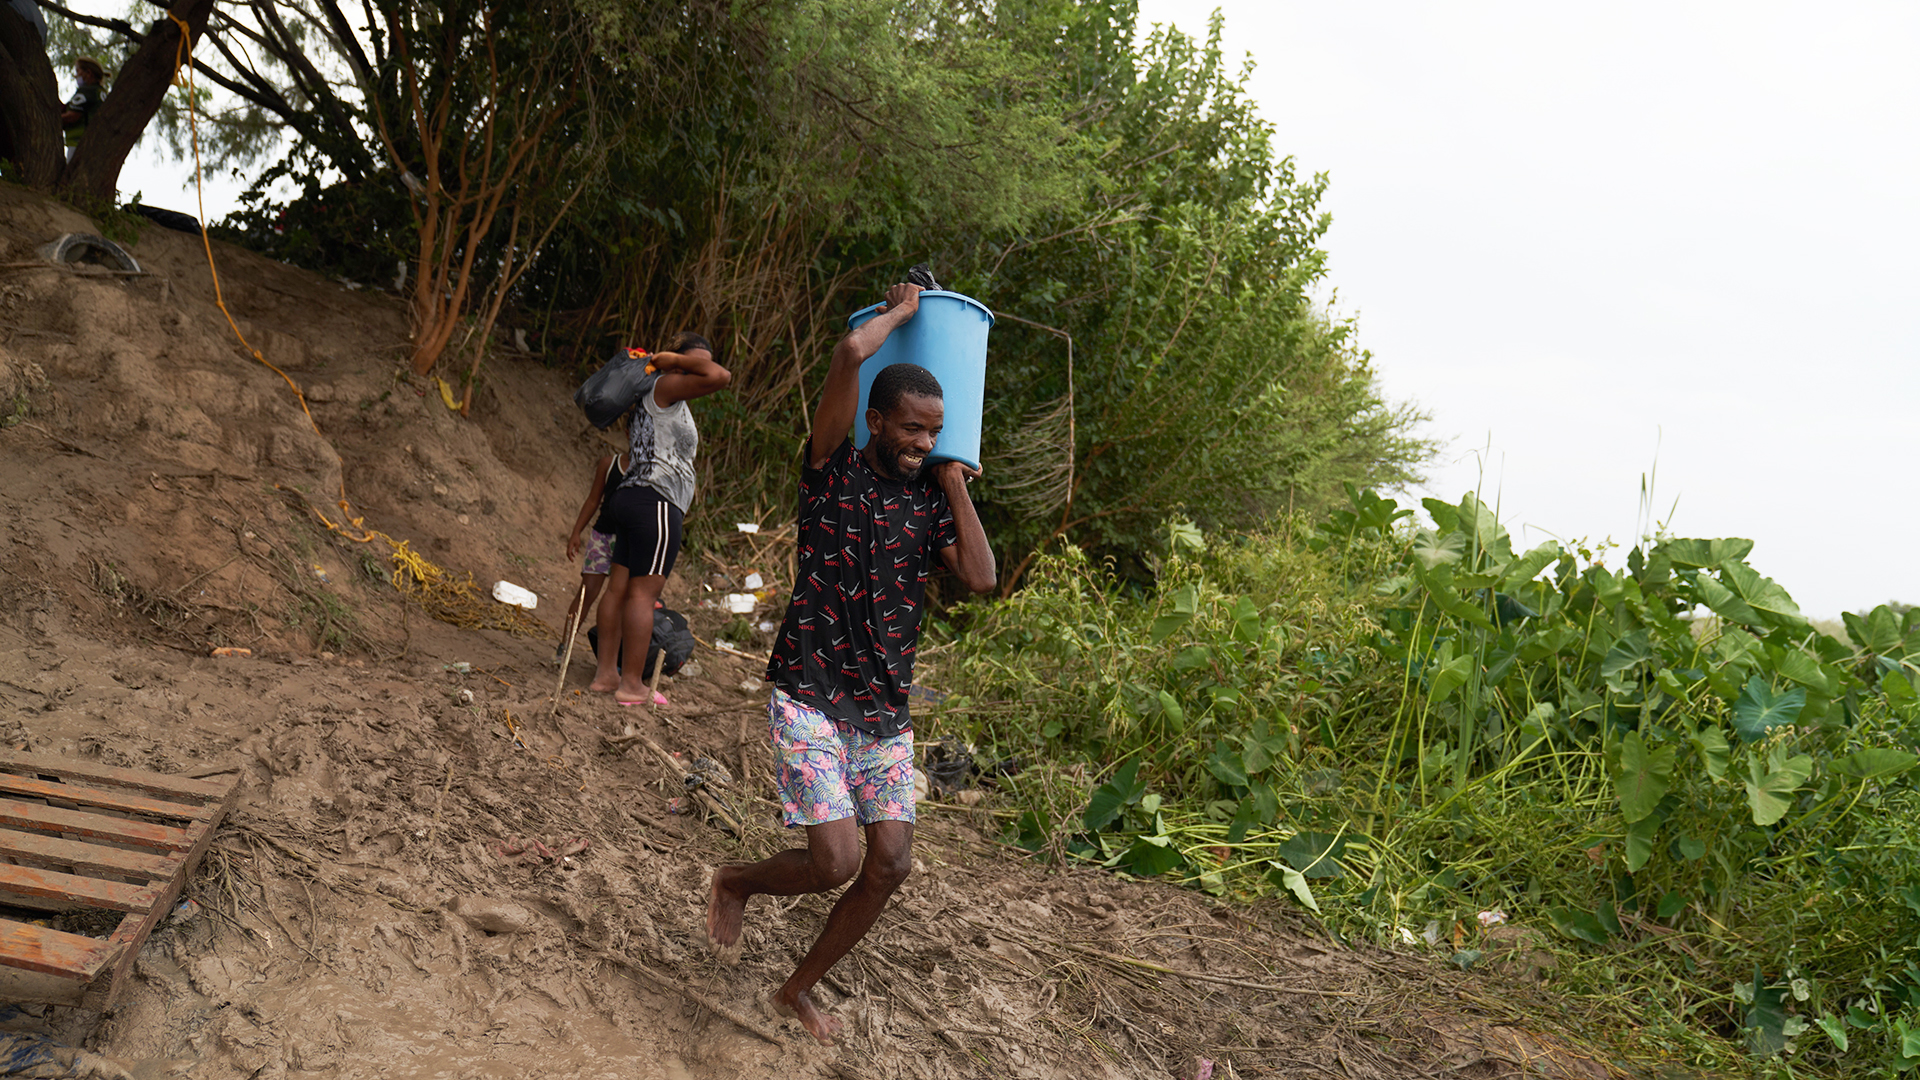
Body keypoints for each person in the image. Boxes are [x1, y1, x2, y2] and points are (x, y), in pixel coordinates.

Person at [705, 282, 996, 1045]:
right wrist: (901, 314)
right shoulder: (831, 468)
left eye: (934, 432)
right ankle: (734, 880)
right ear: (875, 420)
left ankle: (795, 988)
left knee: (890, 865)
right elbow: (846, 355)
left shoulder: (934, 500)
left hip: (883, 708)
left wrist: (956, 482)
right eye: (909, 429)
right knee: (832, 859)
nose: (920, 443)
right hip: (809, 691)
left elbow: (981, 577)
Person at [587, 332, 729, 705]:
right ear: (676, 362)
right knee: (642, 594)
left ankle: (605, 674)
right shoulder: (664, 387)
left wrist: (679, 360)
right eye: (694, 361)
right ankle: (631, 684)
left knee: (618, 588)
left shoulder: (651, 398)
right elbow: (721, 376)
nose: (701, 369)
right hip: (657, 503)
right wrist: (674, 360)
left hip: (631, 498)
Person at [556, 445, 630, 662]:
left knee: (620, 600)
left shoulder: (649, 470)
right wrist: (576, 532)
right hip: (602, 537)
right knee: (586, 593)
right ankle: (564, 647)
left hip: (627, 542)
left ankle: (613, 659)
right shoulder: (609, 465)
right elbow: (592, 500)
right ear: (629, 433)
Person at [61, 58, 105, 150]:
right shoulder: (100, 92)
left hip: (79, 142)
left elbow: (72, 116)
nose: (76, 75)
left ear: (88, 73)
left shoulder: (86, 91)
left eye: (78, 71)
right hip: (98, 144)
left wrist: (53, 119)